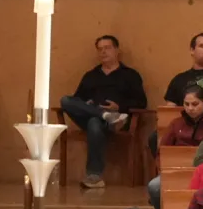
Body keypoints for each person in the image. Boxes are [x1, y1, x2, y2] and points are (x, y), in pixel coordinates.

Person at [61, 35, 148, 188]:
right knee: (65, 100)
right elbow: (77, 100)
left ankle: (94, 176)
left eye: (107, 48)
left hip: (119, 122)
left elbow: (141, 102)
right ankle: (105, 115)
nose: (103, 52)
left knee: (94, 123)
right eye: (100, 49)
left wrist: (119, 107)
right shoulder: (91, 75)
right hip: (93, 117)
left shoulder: (130, 75)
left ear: (117, 50)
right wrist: (88, 105)